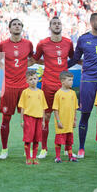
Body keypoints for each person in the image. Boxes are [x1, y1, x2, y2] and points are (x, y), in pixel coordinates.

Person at [68, 12, 97, 158]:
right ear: (92, 22)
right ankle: (81, 148)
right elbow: (75, 59)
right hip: (87, 81)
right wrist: (58, 68)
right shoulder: (83, 39)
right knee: (85, 115)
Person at [33, 16, 74, 159]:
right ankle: (44, 148)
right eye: (54, 24)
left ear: (61, 26)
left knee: (67, 117)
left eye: (59, 23)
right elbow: (35, 58)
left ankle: (67, 149)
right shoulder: (43, 44)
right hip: (48, 85)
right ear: (50, 27)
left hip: (63, 86)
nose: (57, 25)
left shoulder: (68, 42)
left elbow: (73, 58)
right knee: (47, 116)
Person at [0, 18, 34, 160]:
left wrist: (23, 67)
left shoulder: (28, 44)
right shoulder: (3, 45)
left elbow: (32, 59)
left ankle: (27, 149)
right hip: (9, 87)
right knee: (5, 119)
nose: (17, 27)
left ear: (22, 28)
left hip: (24, 87)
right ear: (10, 28)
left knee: (27, 119)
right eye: (14, 25)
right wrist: (9, 69)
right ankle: (4, 149)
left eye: (19, 24)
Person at [18, 69, 48, 165]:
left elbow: (43, 107)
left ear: (38, 79)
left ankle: (34, 157)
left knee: (36, 139)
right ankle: (28, 158)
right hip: (28, 118)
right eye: (30, 79)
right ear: (27, 81)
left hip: (39, 119)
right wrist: (22, 120)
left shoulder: (41, 92)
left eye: (35, 79)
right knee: (28, 139)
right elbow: (22, 107)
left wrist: (43, 120)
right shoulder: (25, 92)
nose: (33, 81)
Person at [52, 71, 79, 163]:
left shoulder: (73, 93)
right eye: (69, 80)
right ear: (63, 81)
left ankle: (71, 156)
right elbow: (55, 109)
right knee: (59, 140)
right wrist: (58, 121)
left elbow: (75, 107)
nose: (72, 82)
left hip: (69, 122)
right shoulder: (58, 94)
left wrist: (75, 119)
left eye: (72, 80)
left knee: (69, 141)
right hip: (61, 123)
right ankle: (58, 157)